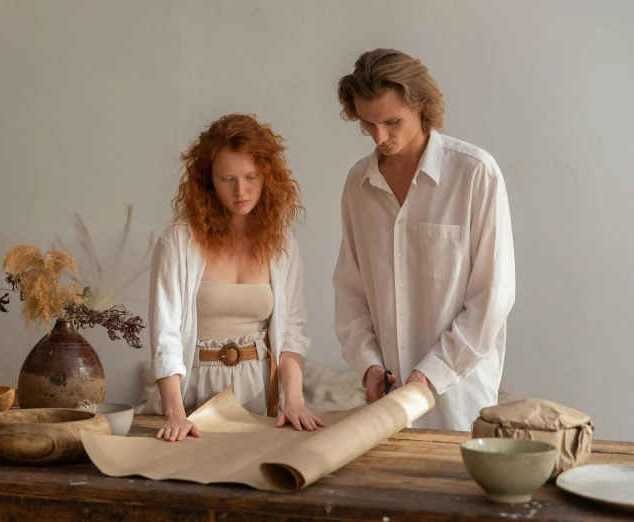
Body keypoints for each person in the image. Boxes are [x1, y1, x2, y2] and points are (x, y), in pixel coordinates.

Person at [333, 49, 516, 430]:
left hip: (457, 406)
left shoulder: (475, 175)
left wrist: (430, 375)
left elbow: (492, 298)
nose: (380, 137)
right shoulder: (358, 185)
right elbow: (351, 291)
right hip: (384, 407)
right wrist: (368, 365)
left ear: (422, 105)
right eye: (368, 124)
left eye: (392, 121)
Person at [141, 113, 324, 441]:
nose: (241, 190)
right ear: (208, 179)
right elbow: (165, 334)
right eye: (228, 179)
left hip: (259, 392)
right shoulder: (180, 241)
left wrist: (293, 401)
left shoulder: (281, 243)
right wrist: (175, 415)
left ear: (268, 175)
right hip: (192, 395)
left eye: (251, 177)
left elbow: (291, 331)